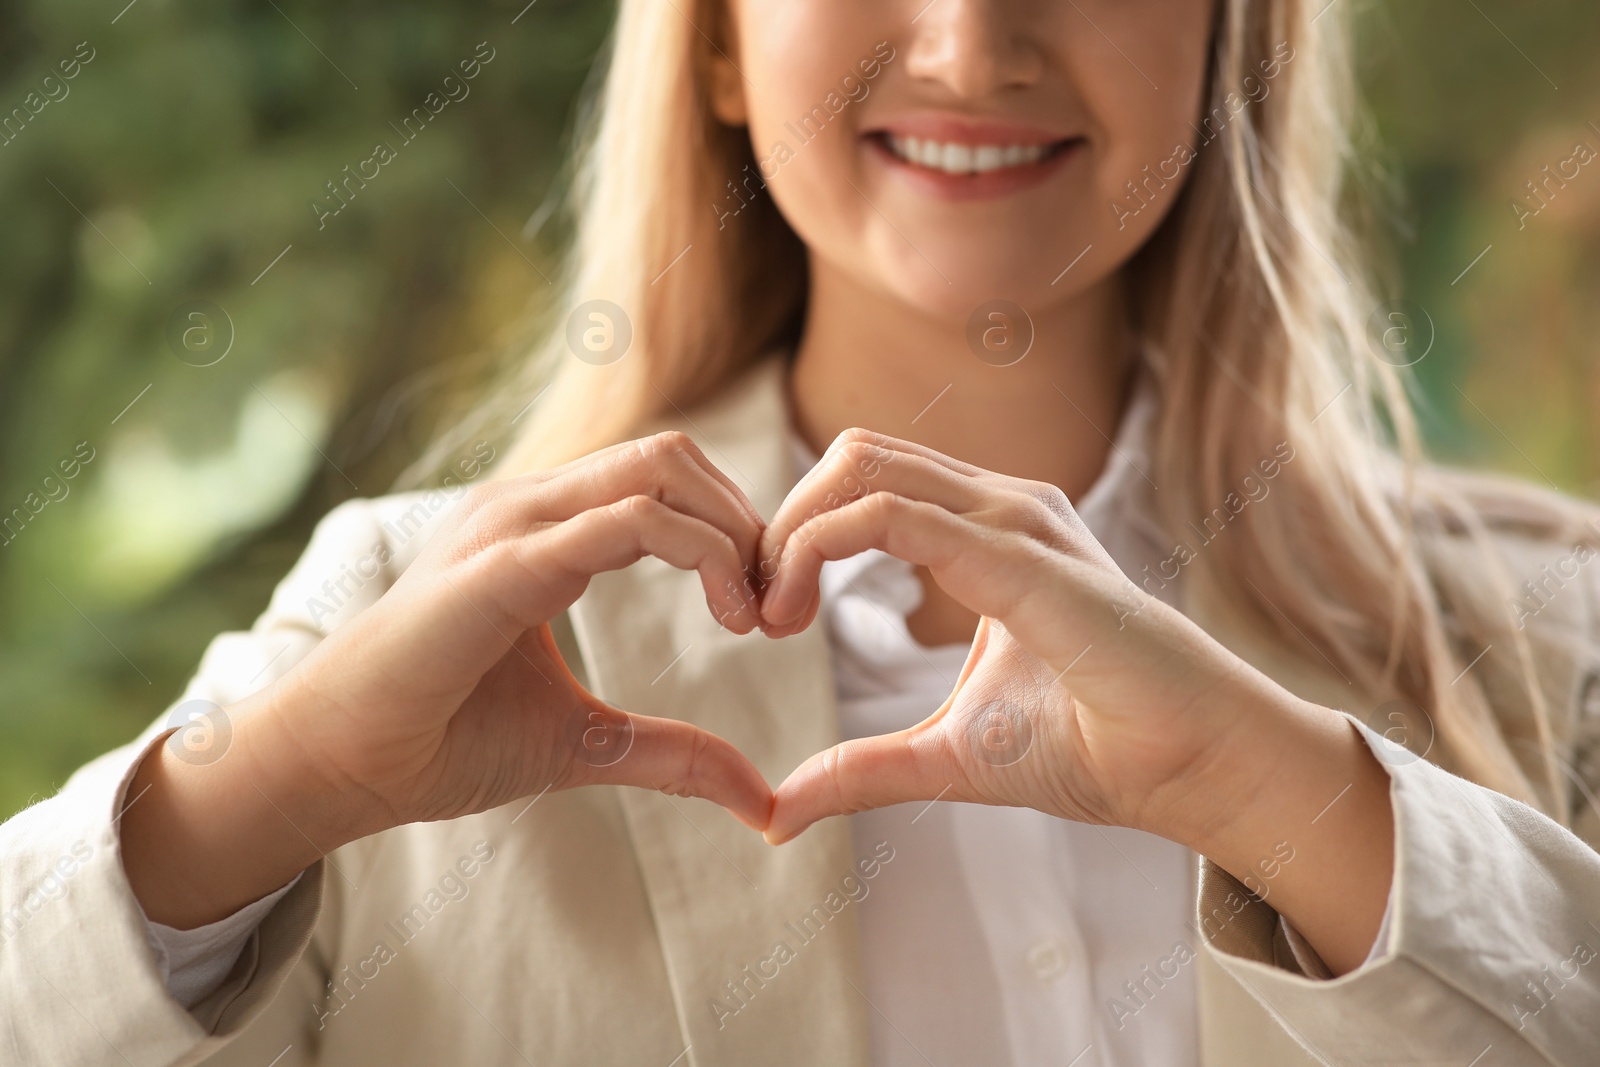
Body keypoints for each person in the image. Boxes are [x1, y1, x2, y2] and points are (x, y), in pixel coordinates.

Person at [5, 0, 1599, 1063]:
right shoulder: (403, 612)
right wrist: (277, 791)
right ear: (712, 47)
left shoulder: (1548, 629)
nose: (974, 50)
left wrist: (1268, 789)